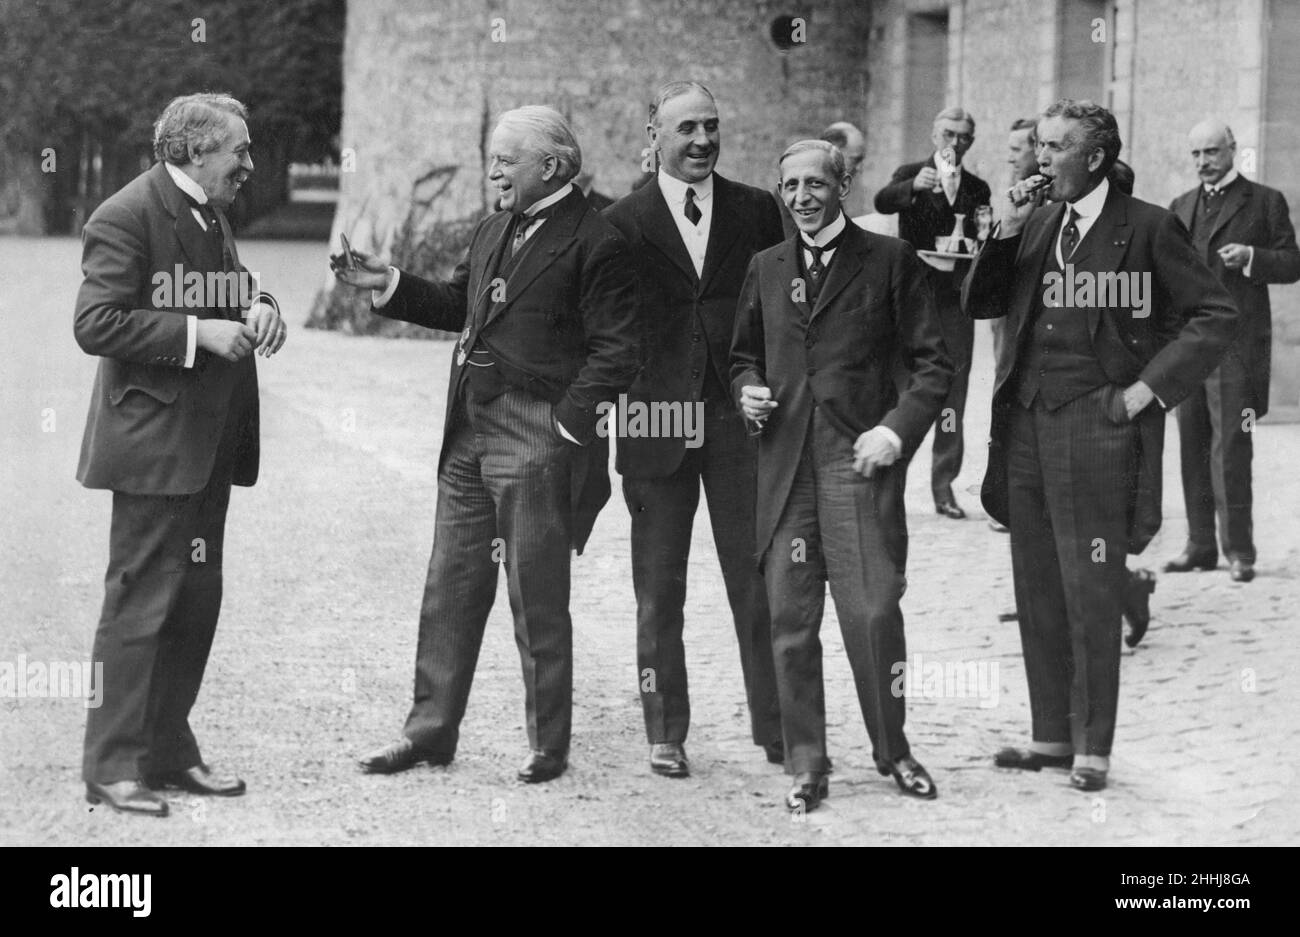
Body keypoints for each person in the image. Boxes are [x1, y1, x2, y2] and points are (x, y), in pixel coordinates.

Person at [336, 106, 640, 783]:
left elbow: (618, 349)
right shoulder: (493, 227)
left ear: (552, 167)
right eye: (493, 157)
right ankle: (429, 732)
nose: (492, 168)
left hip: (537, 435)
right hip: (468, 430)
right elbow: (458, 305)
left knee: (536, 592)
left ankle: (547, 744)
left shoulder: (598, 241)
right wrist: (385, 283)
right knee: (450, 582)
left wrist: (563, 427)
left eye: (506, 158)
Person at [963, 100, 1240, 792]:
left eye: (1056, 147)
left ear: (1094, 157)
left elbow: (1214, 315)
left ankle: (1092, 747)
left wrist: (1148, 390)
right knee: (1037, 586)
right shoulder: (1038, 220)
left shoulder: (1147, 227)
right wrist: (1005, 230)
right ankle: (1051, 735)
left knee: (1089, 586)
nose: (1041, 158)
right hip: (1026, 424)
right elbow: (978, 304)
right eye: (1040, 146)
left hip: (1099, 424)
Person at [75, 92, 287, 817]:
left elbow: (217, 285)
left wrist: (258, 303)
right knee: (138, 607)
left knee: (193, 603)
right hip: (155, 453)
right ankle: (110, 765)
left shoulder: (206, 210)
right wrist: (199, 336)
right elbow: (96, 322)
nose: (250, 165)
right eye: (241, 150)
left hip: (205, 452)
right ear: (197, 150)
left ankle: (165, 748)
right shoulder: (125, 214)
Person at [731, 140, 953, 812]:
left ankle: (894, 749)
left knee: (874, 611)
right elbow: (742, 354)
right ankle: (807, 761)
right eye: (790, 186)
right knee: (791, 620)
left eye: (816, 185)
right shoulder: (766, 266)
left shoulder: (889, 261)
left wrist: (894, 429)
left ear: (845, 184)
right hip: (785, 470)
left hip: (854, 461)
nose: (802, 198)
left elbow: (934, 365)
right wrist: (747, 389)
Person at [603, 80, 785, 778]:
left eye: (712, 126)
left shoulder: (755, 209)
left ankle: (775, 727)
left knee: (757, 577)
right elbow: (608, 328)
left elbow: (776, 305)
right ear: (656, 136)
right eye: (687, 129)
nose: (704, 140)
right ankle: (665, 730)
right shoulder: (622, 221)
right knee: (658, 587)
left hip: (737, 416)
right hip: (656, 419)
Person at [1165, 119, 1300, 584]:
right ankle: (1200, 546)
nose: (1204, 162)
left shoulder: (1264, 201)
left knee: (1232, 450)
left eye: (1212, 152)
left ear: (1233, 151)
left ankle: (1239, 550)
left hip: (1236, 350)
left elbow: (1292, 263)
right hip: (1189, 349)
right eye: (1196, 154)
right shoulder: (1180, 207)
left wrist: (1252, 259)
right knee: (1191, 449)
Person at [874, 107, 991, 520]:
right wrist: (910, 187)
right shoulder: (911, 172)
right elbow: (882, 202)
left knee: (952, 396)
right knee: (906, 385)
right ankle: (892, 480)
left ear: (970, 142)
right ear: (933, 134)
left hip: (956, 301)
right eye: (948, 134)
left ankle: (943, 487)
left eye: (963, 136)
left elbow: (982, 233)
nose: (954, 143)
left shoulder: (978, 187)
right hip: (914, 299)